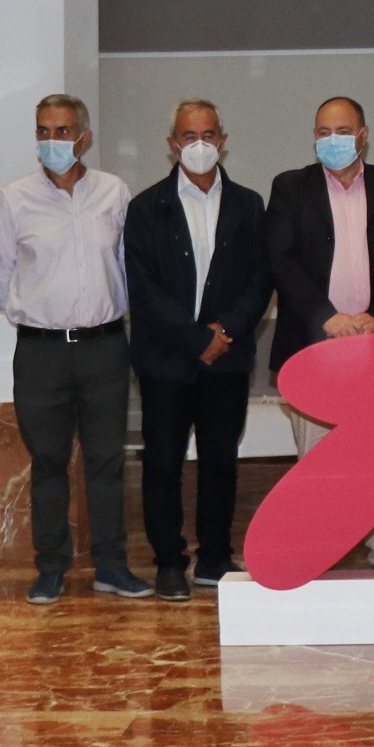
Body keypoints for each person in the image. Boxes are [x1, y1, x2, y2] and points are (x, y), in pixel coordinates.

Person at [0, 93, 140, 604]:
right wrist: (37, 313)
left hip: (104, 347)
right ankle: (51, 566)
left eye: (63, 130)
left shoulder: (115, 193)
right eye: (44, 131)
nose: (53, 140)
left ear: (85, 137)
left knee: (106, 461)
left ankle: (111, 565)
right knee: (48, 462)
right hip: (41, 352)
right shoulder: (15, 199)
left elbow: (127, 264)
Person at [127, 100, 271, 601]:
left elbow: (261, 278)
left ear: (223, 141)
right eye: (189, 136)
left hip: (227, 358)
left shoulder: (249, 204)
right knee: (162, 463)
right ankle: (169, 562)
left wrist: (223, 332)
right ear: (173, 144)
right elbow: (142, 289)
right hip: (166, 360)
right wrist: (196, 339)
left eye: (209, 134)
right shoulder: (146, 207)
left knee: (220, 461)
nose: (200, 145)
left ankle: (214, 557)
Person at [266, 95, 374, 561]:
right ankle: (323, 548)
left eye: (344, 131)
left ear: (364, 136)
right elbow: (279, 258)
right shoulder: (290, 187)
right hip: (314, 345)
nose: (333, 140)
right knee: (319, 455)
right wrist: (325, 316)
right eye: (324, 132)